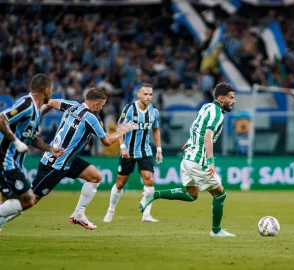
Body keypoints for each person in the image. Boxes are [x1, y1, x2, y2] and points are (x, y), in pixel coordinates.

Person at [6, 88, 135, 230]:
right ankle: (2, 217)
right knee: (30, 200)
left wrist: (37, 119)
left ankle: (78, 214)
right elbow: (107, 141)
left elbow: (50, 102)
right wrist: (124, 130)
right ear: (95, 104)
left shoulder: (73, 105)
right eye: (102, 105)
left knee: (95, 176)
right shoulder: (91, 117)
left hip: (67, 160)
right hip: (54, 164)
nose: (101, 108)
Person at [139, 83, 236, 237]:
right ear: (222, 98)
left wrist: (190, 141)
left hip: (188, 158)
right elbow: (208, 135)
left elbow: (197, 126)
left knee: (192, 194)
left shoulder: (206, 107)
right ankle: (216, 231)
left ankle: (153, 195)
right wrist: (211, 161)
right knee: (220, 194)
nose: (233, 101)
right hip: (199, 161)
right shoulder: (217, 114)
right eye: (231, 98)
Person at [0, 74, 65, 232]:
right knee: (28, 200)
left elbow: (32, 139)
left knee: (10, 200)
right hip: (5, 159)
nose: (52, 93)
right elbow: (2, 118)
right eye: (51, 90)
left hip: (13, 162)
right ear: (47, 90)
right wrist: (16, 141)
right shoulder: (27, 103)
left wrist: (50, 149)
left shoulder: (36, 112)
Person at [103, 83, 163, 223]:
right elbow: (120, 128)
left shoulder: (154, 112)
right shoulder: (129, 109)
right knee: (120, 183)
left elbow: (155, 129)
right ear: (139, 95)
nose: (148, 97)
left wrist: (159, 149)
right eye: (145, 94)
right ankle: (110, 211)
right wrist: (122, 147)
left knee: (149, 180)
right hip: (128, 152)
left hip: (145, 151)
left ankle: (146, 214)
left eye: (150, 94)